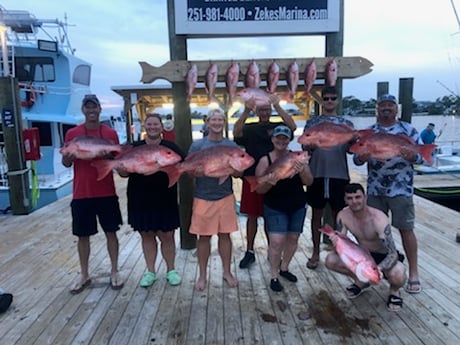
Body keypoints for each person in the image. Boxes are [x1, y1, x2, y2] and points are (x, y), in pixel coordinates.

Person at [353, 94, 423, 294]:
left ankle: (414, 273)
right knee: (371, 233)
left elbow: (421, 158)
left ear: (396, 109)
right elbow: (357, 160)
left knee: (406, 229)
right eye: (382, 105)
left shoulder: (408, 130)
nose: (386, 108)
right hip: (375, 189)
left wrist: (414, 155)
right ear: (377, 109)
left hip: (402, 190)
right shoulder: (370, 132)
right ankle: (369, 272)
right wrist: (363, 156)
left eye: (390, 105)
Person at [62, 94, 124, 294]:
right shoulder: (73, 134)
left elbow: (119, 165)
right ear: (83, 110)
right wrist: (69, 156)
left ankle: (115, 271)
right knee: (82, 235)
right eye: (87, 107)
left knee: (111, 232)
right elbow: (66, 162)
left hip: (106, 191)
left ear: (99, 109)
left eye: (94, 107)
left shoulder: (110, 133)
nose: (91, 111)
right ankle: (84, 274)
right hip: (81, 193)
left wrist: (110, 155)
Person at [118, 114, 184, 287]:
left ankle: (171, 270)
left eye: (156, 124)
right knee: (146, 235)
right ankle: (150, 271)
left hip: (165, 197)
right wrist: (120, 168)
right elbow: (123, 174)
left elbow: (181, 168)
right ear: (144, 127)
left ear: (162, 127)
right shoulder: (134, 147)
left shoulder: (171, 147)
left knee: (167, 236)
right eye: (150, 124)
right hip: (140, 197)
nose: (153, 127)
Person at [233, 93, 297, 269]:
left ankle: (272, 251)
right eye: (261, 109)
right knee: (252, 216)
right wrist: (246, 109)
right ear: (256, 111)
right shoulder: (250, 128)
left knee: (272, 215)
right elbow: (236, 132)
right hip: (252, 176)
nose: (264, 112)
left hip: (273, 177)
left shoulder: (278, 126)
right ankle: (249, 251)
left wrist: (277, 106)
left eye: (267, 109)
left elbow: (293, 127)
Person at [324, 183, 406, 312]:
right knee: (330, 260)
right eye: (350, 198)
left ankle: (394, 291)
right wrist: (336, 242)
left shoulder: (378, 218)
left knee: (398, 274)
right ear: (345, 200)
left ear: (365, 198)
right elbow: (340, 244)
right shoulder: (343, 215)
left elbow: (393, 253)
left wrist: (377, 269)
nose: (354, 201)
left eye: (358, 197)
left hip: (383, 255)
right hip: (362, 255)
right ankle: (361, 281)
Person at [254, 125, 313, 292]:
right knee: (277, 242)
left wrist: (301, 171)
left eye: (285, 138)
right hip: (275, 206)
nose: (281, 141)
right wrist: (269, 182)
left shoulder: (296, 157)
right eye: (278, 137)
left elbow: (309, 182)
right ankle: (274, 275)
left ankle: (285, 268)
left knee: (293, 238)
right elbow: (259, 189)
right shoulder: (265, 160)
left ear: (289, 140)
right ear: (272, 139)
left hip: (297, 205)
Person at [302, 86, 354, 270]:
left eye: (333, 98)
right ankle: (315, 252)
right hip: (317, 174)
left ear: (338, 100)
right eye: (326, 98)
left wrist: (354, 140)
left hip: (339, 174)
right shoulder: (312, 123)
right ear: (322, 101)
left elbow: (351, 150)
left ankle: (340, 252)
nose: (330, 101)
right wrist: (312, 144)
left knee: (338, 216)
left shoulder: (346, 124)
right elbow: (305, 148)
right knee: (316, 214)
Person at [189, 109, 240, 291]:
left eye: (220, 119)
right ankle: (202, 275)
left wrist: (235, 169)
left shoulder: (231, 145)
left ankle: (227, 272)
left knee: (225, 236)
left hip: (225, 196)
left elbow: (239, 172)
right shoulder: (197, 146)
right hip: (203, 197)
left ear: (224, 122)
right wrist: (195, 172)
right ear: (207, 122)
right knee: (203, 238)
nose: (217, 123)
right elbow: (189, 171)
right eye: (214, 120)